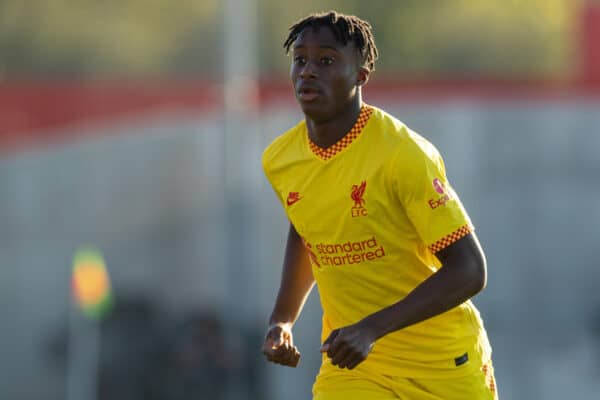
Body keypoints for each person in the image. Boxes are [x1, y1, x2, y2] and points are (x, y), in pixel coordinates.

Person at [261, 10, 498, 400]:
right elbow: (306, 229)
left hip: (441, 364)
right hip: (355, 368)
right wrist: (281, 320)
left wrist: (371, 328)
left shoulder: (403, 155)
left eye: (326, 61)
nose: (307, 71)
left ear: (361, 75)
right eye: (300, 59)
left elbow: (471, 270)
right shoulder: (280, 158)